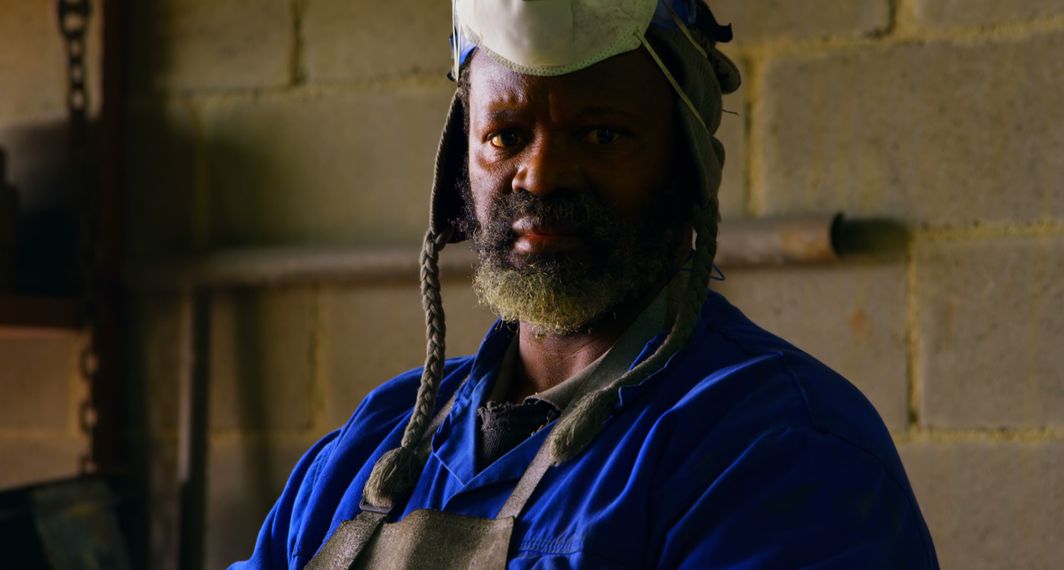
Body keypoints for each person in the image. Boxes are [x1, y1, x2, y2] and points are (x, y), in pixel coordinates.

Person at [234, 1, 939, 567]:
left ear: (687, 166)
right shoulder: (365, 451)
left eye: (601, 134)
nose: (541, 175)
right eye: (506, 135)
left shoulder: (775, 451)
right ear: (462, 164)